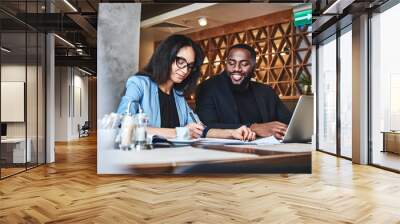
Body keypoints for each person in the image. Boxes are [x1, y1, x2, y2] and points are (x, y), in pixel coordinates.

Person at [117, 34, 255, 141]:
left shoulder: (178, 95)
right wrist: (178, 132)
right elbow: (123, 126)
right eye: (180, 62)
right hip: (142, 161)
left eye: (189, 66)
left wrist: (232, 133)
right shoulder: (139, 84)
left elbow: (201, 130)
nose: (184, 71)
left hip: (176, 161)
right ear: (166, 57)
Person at [195, 43, 292, 140]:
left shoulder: (266, 91)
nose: (236, 68)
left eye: (244, 64)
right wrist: (254, 128)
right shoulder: (208, 88)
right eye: (231, 63)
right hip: (225, 151)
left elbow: (289, 122)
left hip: (267, 148)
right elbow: (206, 126)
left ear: (254, 66)